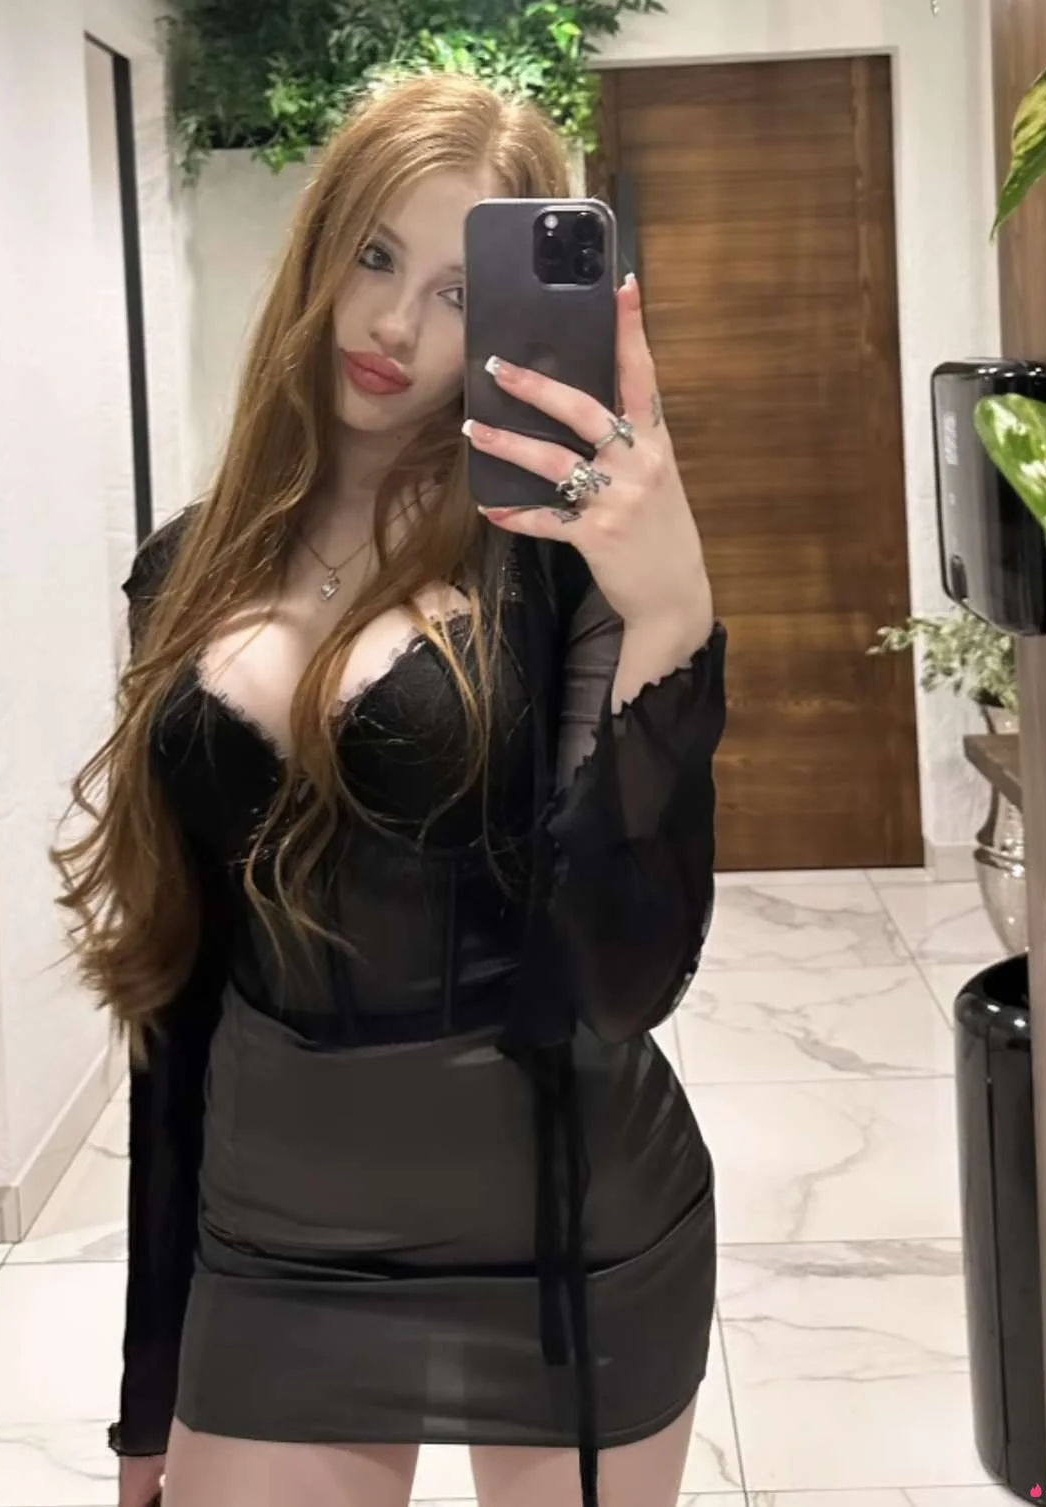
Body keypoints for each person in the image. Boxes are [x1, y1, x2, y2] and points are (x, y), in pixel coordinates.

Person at [54, 71, 726, 1507]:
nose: (394, 327)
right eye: (373, 255)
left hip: (569, 1239)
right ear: (317, 249)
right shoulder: (186, 570)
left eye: (460, 292)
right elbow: (177, 997)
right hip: (275, 1247)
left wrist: (669, 620)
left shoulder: (560, 571)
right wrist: (148, 1387)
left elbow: (626, 976)